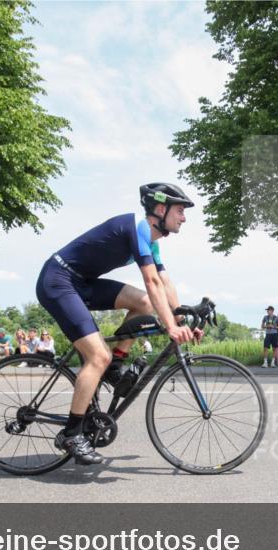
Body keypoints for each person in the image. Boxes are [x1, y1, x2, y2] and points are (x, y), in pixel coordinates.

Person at [35, 182, 201, 465]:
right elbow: (150, 281)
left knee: (144, 304)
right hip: (58, 281)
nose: (184, 218)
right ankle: (72, 434)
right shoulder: (137, 228)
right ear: (161, 209)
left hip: (82, 283)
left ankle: (115, 365)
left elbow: (163, 282)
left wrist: (181, 320)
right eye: (180, 211)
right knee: (98, 356)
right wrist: (170, 327)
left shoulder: (151, 241)